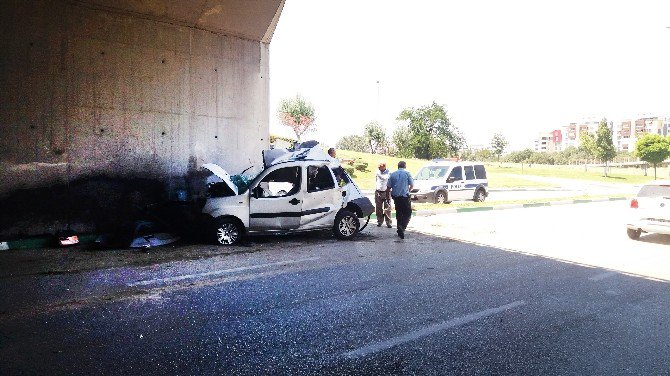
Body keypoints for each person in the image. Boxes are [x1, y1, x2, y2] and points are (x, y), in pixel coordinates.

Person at [386, 161, 414, 239]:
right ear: (405, 166)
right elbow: (412, 185)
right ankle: (402, 226)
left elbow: (388, 188)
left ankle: (399, 229)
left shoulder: (392, 174)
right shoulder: (407, 173)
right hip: (405, 197)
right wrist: (409, 190)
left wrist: (388, 197)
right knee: (408, 213)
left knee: (399, 212)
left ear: (398, 166)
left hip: (396, 197)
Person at [374, 162, 392, 228]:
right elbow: (376, 180)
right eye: (378, 168)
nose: (379, 169)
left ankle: (388, 222)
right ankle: (379, 221)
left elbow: (385, 178)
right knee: (378, 207)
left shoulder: (389, 172)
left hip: (386, 192)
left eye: (380, 168)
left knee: (387, 208)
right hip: (378, 191)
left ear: (384, 167)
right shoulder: (377, 172)